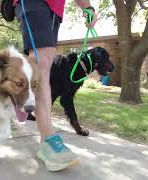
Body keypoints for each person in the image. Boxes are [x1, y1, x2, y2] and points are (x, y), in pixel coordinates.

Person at [13, 0, 98, 171]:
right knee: (42, 63)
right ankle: (49, 141)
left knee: (43, 63)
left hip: (56, 10)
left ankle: (20, 91)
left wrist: (87, 7)